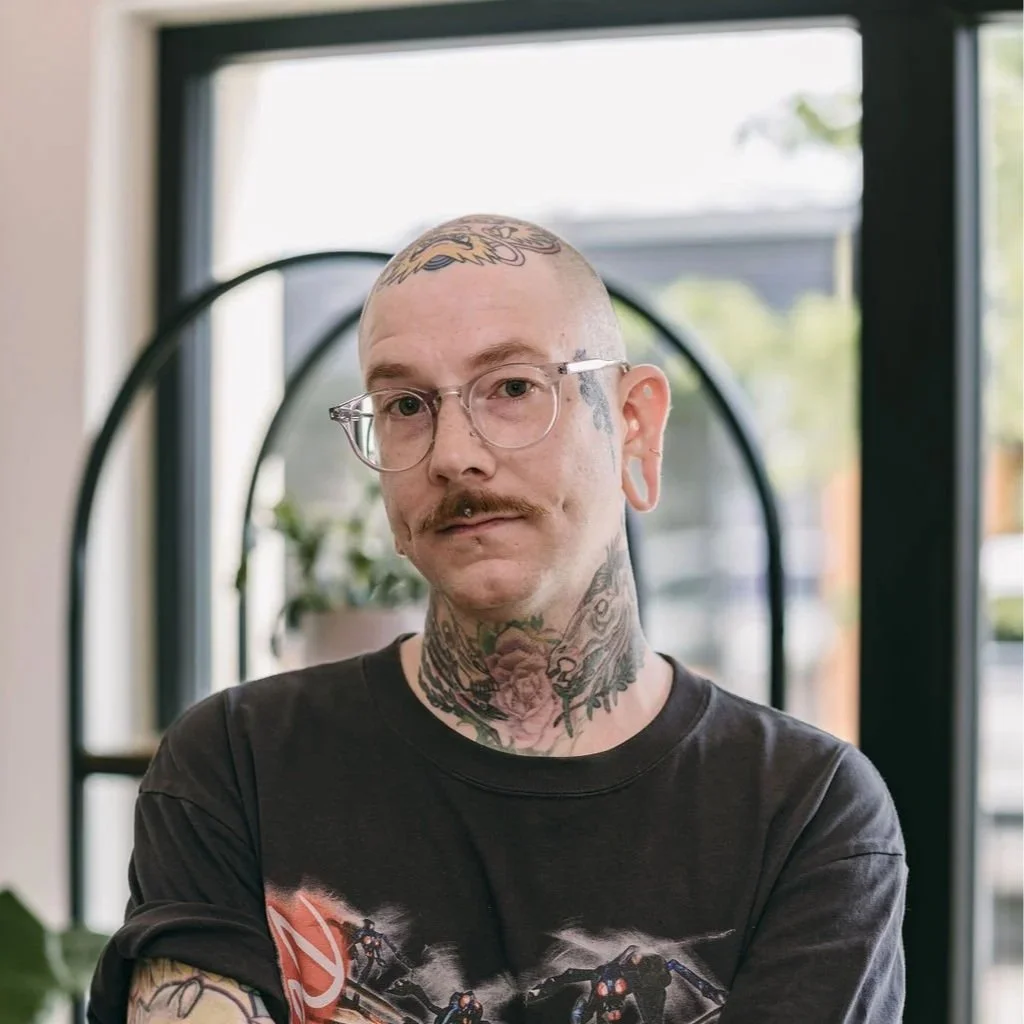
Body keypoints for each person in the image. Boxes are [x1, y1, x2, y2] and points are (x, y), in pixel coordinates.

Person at [88, 214, 906, 1024]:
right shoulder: (239, 766)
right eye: (406, 403)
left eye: (513, 388)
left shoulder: (805, 813)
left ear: (632, 424)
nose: (453, 454)